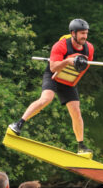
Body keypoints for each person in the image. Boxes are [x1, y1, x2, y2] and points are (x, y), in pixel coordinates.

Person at [8, 18, 95, 156]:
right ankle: (18, 124)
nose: (85, 36)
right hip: (53, 74)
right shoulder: (60, 46)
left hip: (69, 78)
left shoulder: (89, 48)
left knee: (76, 111)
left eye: (86, 33)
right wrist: (67, 61)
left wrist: (79, 66)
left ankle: (81, 146)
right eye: (82, 33)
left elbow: (85, 68)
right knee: (46, 98)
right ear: (73, 33)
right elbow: (53, 67)